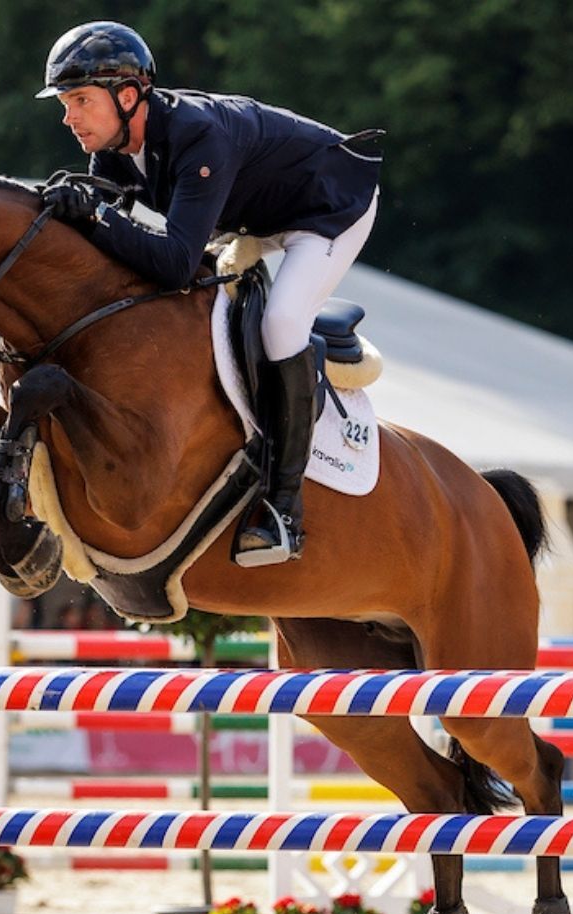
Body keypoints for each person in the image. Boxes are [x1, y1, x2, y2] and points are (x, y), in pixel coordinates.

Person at [35, 20, 381, 568]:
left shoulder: (198, 135)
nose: (68, 117)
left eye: (80, 100)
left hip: (326, 208)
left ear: (129, 96)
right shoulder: (112, 150)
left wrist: (95, 215)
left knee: (282, 324)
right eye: (65, 103)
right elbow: (111, 256)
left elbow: (173, 263)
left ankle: (284, 507)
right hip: (251, 216)